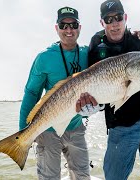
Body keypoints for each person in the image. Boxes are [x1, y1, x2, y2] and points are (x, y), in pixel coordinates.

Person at [76, 0, 140, 179]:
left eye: (118, 18)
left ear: (125, 18)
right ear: (102, 22)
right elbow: (91, 83)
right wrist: (94, 106)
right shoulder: (97, 46)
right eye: (108, 19)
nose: (114, 24)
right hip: (120, 127)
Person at [19, 7, 93, 179]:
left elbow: (112, 52)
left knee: (82, 175)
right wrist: (24, 134)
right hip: (48, 130)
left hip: (76, 127)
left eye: (73, 25)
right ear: (56, 28)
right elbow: (31, 93)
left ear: (80, 28)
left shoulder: (87, 53)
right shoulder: (44, 58)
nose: (69, 30)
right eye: (63, 25)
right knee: (49, 177)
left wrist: (134, 37)